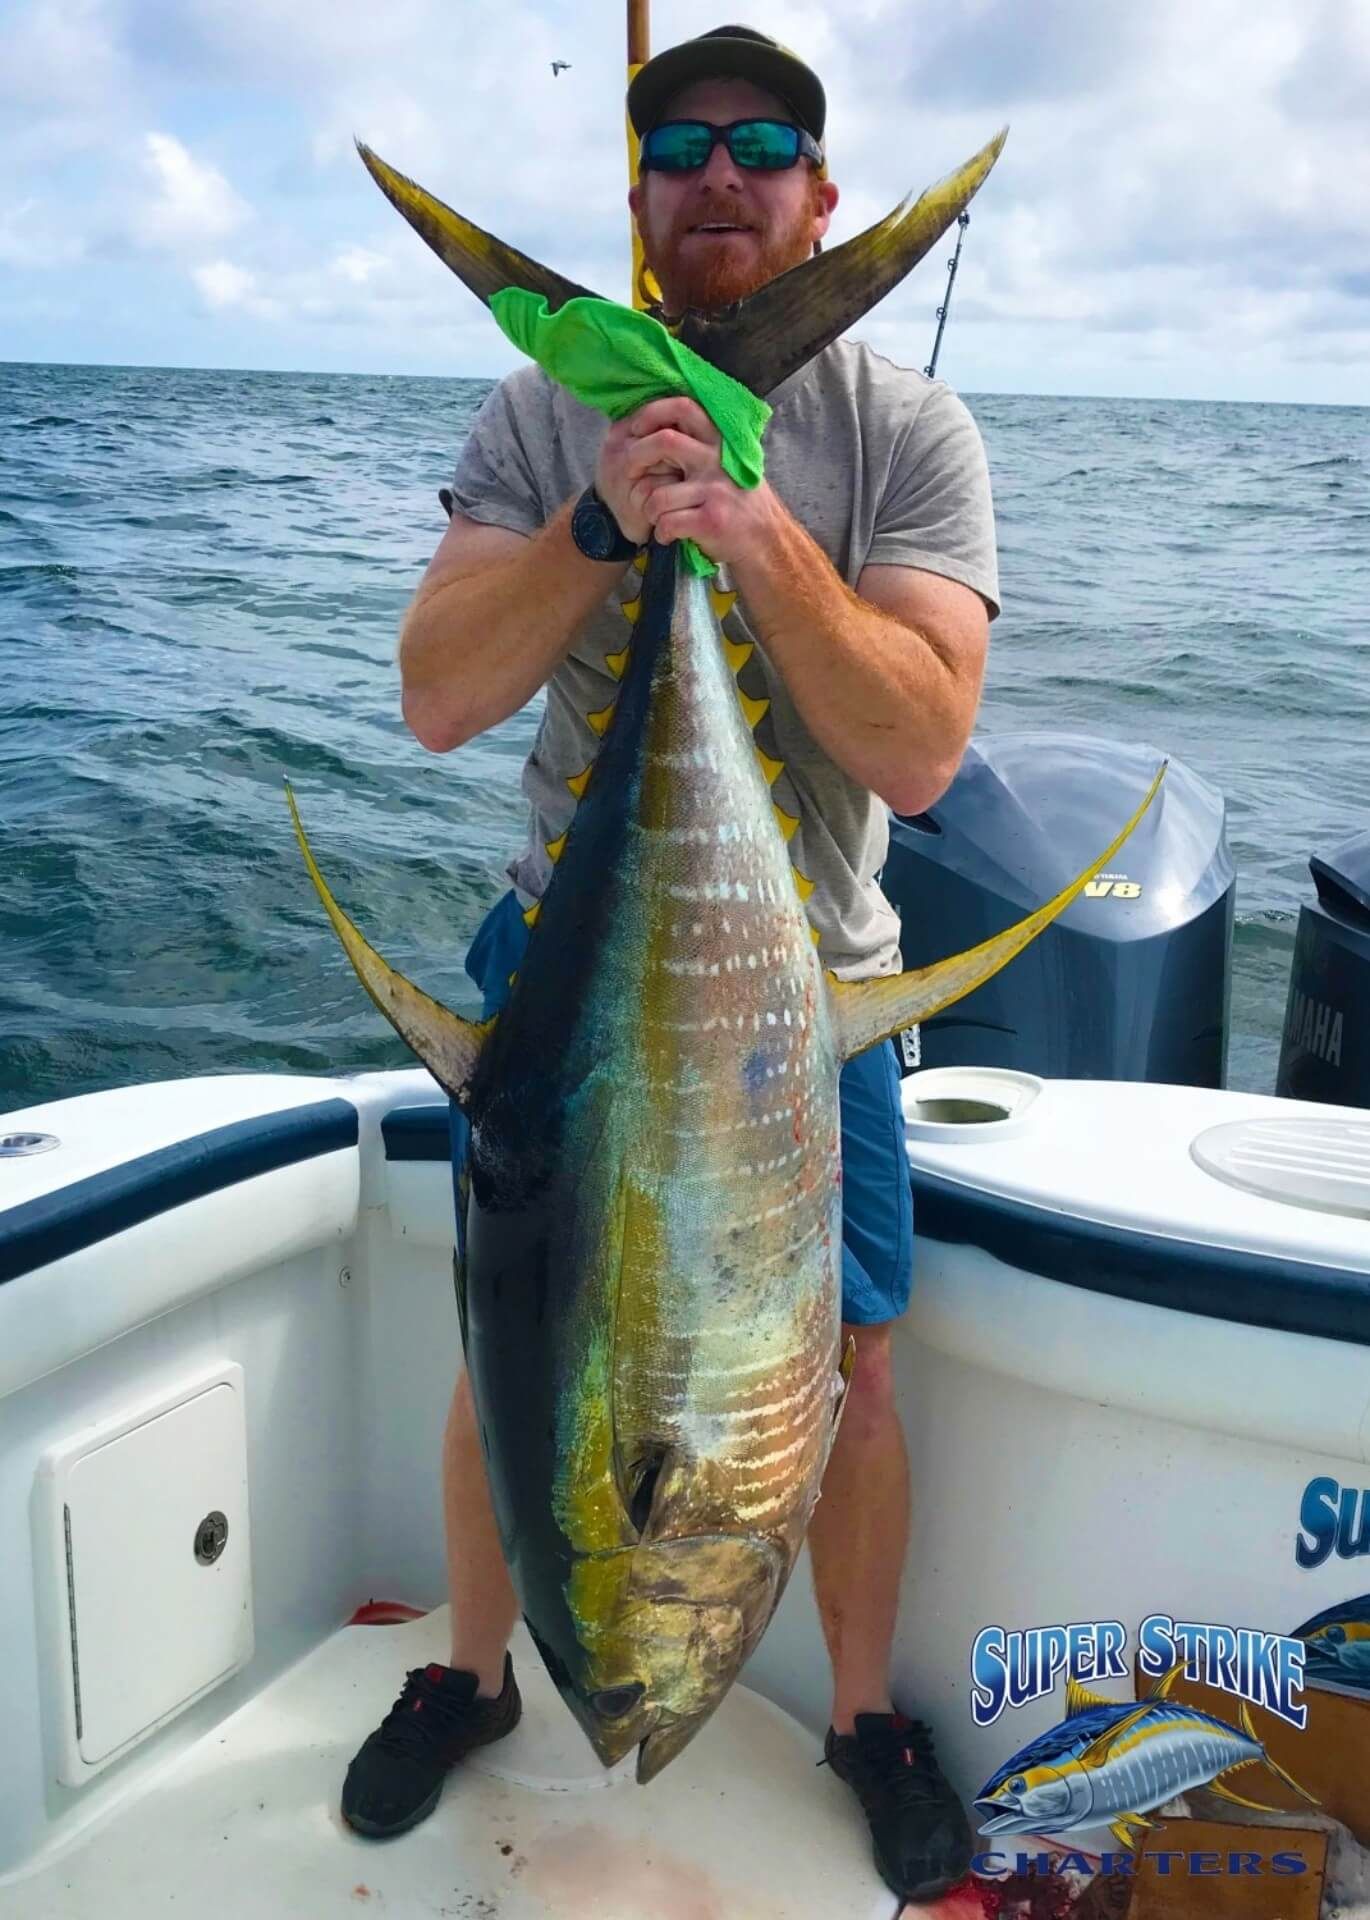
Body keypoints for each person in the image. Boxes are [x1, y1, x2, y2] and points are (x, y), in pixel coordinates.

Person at [341, 24, 999, 1905]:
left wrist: (743, 515)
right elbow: (438, 694)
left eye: (763, 147)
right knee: (519, 1352)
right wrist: (599, 517)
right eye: (682, 149)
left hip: (808, 987)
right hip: (564, 968)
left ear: (820, 194)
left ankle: (865, 1720)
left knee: (848, 1367)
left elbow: (918, 751)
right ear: (633, 203)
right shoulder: (544, 416)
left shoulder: (907, 432)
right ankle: (470, 1674)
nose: (722, 176)